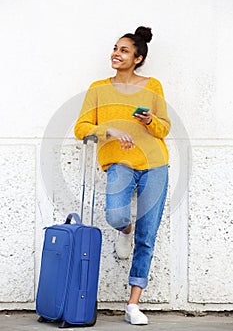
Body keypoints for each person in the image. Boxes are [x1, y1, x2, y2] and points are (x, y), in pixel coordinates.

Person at [74, 26, 171, 325]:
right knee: (117, 216)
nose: (116, 53)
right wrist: (108, 130)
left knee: (148, 236)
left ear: (138, 58)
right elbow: (81, 128)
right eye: (115, 48)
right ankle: (124, 231)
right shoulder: (98, 88)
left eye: (124, 50)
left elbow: (164, 127)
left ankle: (132, 304)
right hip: (119, 163)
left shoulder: (152, 85)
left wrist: (150, 120)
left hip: (155, 164)